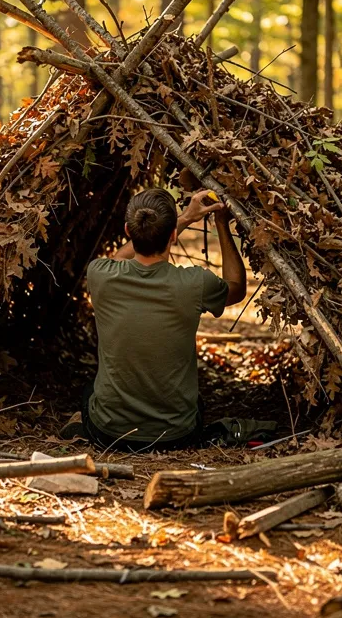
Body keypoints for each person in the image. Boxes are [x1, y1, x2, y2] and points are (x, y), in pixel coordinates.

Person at [62, 187, 276, 451]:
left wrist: (184, 218)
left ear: (128, 231)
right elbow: (236, 286)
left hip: (108, 432)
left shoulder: (101, 274)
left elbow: (120, 258)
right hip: (176, 435)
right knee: (196, 403)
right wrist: (222, 224)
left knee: (88, 391)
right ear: (173, 235)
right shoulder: (194, 282)